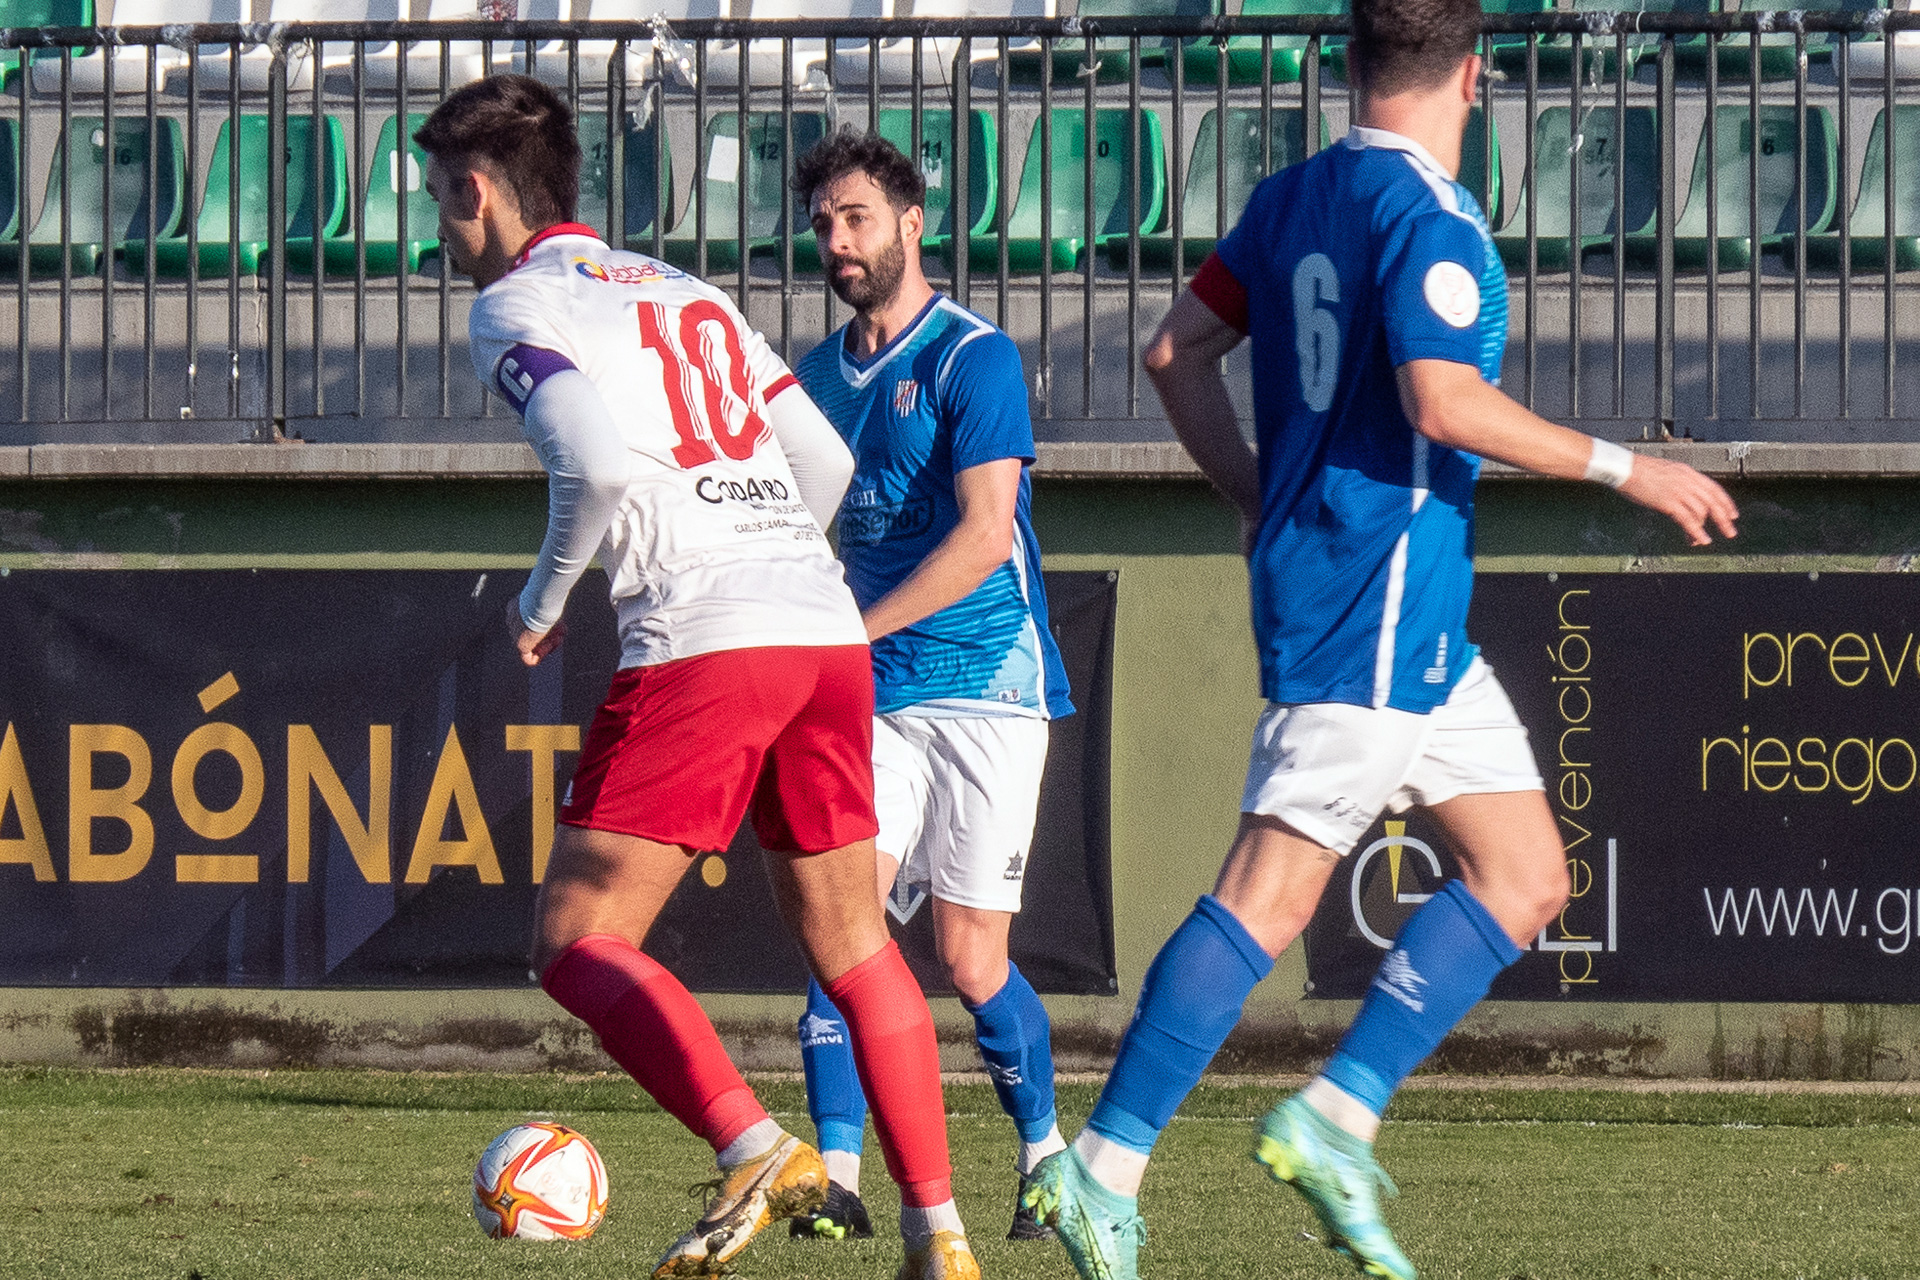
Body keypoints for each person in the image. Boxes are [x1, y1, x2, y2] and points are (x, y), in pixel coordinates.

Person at [1020, 0, 1742, 1276]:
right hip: (1376, 597)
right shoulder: (1432, 214)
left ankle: (1334, 1115)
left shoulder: (1297, 193)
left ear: (1352, 65)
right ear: (1476, 74)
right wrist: (1630, 466)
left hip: (1397, 610)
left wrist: (1256, 490)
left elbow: (1172, 349)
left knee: (1525, 875)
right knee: (1268, 891)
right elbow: (1442, 399)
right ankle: (1101, 1163)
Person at [415, 75, 981, 1280]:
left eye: (440, 205)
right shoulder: (685, 289)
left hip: (706, 634)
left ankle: (756, 1144)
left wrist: (539, 604)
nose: (442, 233)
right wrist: (772, 562)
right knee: (855, 941)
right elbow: (821, 460)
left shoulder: (516, 302)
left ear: (477, 190)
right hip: (819, 629)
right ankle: (945, 1237)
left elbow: (599, 469)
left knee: (574, 935)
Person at [776, 129, 1076, 1246]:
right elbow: (798, 533)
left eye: (855, 219)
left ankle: (1046, 1153)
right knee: (837, 929)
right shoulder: (810, 382)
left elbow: (986, 534)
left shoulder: (973, 359)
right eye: (822, 225)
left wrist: (848, 630)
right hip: (877, 698)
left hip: (991, 688)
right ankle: (836, 1176)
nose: (837, 242)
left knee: (968, 957)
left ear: (912, 223)